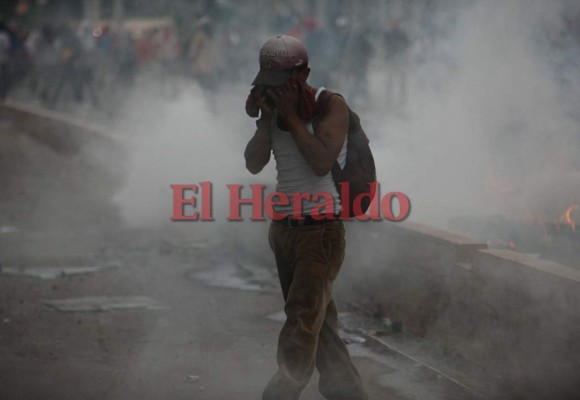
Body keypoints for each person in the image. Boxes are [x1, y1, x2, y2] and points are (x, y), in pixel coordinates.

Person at [244, 34, 368, 400]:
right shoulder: (275, 108)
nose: (277, 91)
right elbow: (253, 164)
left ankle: (279, 394)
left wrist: (294, 118)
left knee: (301, 323)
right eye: (271, 84)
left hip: (320, 234)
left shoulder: (332, 105)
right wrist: (266, 120)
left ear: (304, 74)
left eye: (283, 83)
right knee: (320, 327)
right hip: (283, 231)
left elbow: (319, 162)